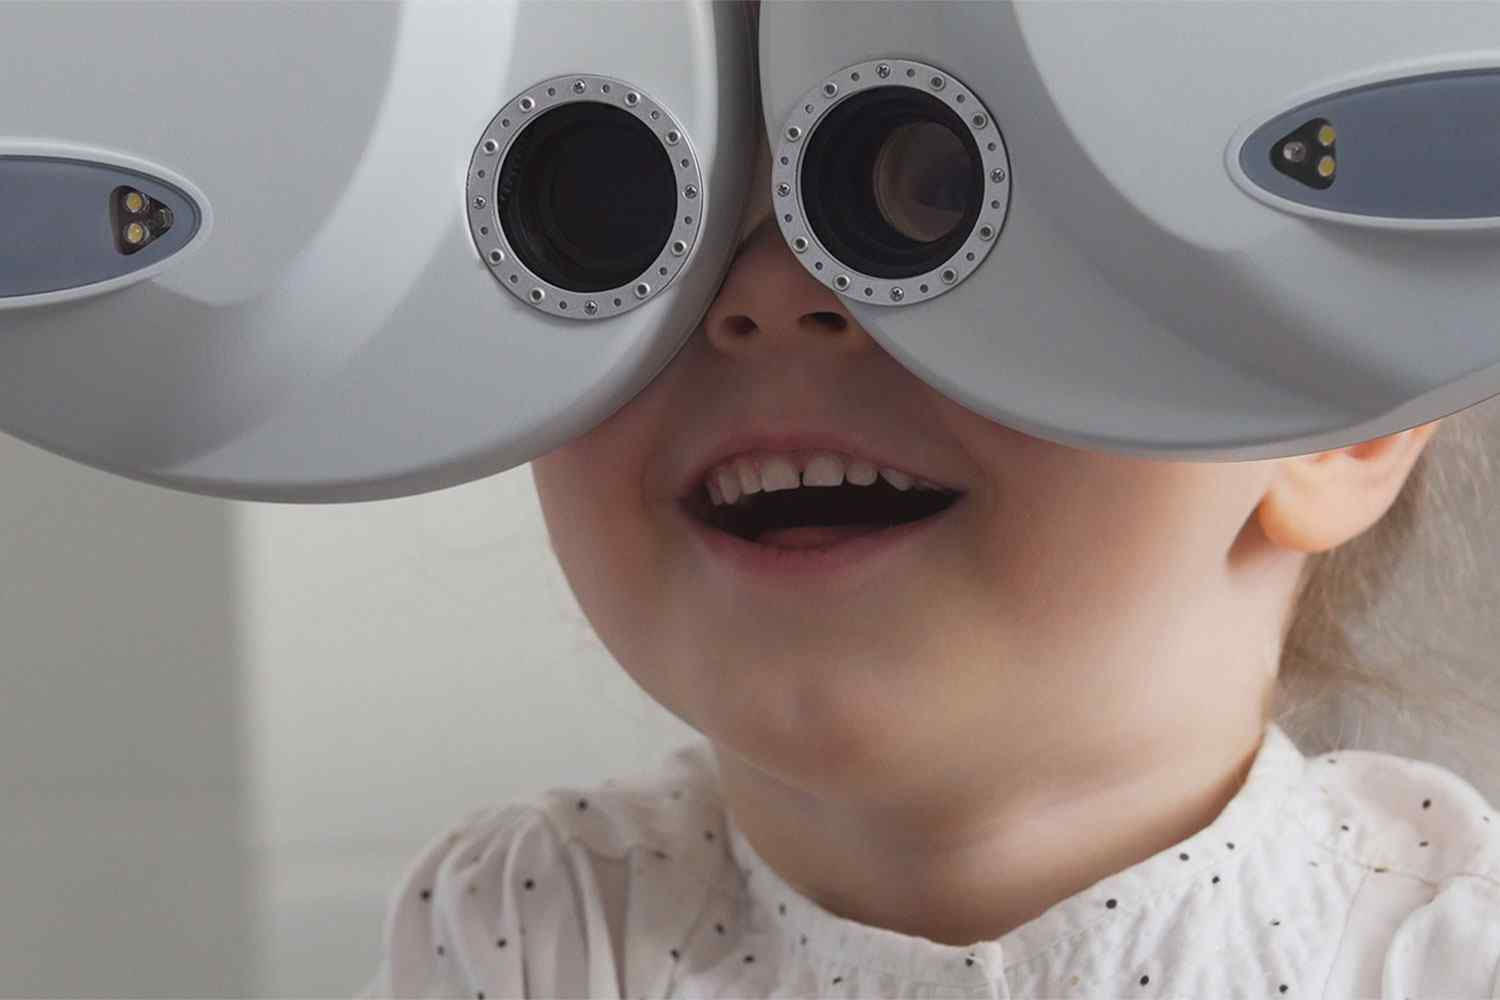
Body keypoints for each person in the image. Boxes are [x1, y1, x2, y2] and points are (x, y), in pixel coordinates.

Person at [356, 128, 1500, 1000]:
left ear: (1337, 420)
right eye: (621, 202)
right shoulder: (528, 929)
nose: (764, 291)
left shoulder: (1450, 958)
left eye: (943, 187)